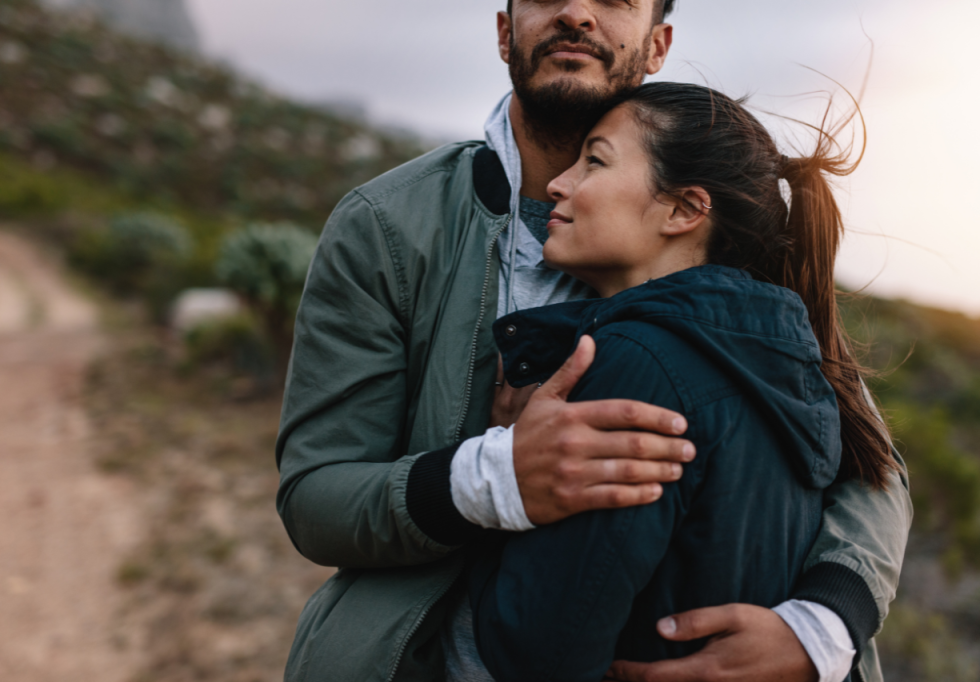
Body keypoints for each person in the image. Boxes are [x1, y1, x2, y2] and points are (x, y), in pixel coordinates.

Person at [275, 2, 912, 682]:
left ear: (658, 42)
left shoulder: (721, 228)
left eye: (614, 0)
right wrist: (490, 478)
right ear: (503, 30)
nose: (577, 12)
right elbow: (316, 496)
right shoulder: (388, 228)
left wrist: (822, 625)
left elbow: (870, 462)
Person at [467, 81, 897, 682]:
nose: (559, 183)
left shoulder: (636, 363)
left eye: (594, 160)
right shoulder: (784, 361)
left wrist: (504, 476)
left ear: (684, 210)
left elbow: (537, 648)